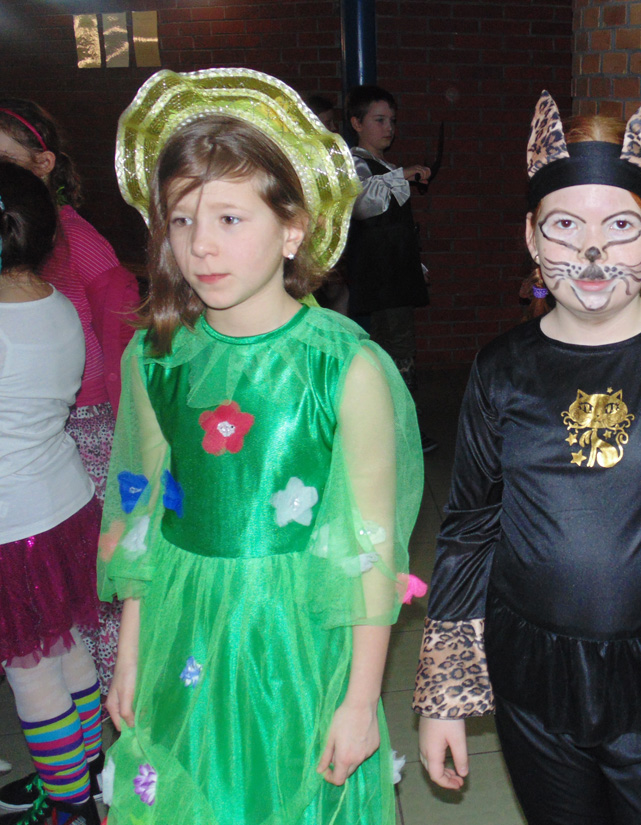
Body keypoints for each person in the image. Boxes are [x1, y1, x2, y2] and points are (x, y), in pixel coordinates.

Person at [413, 92, 641, 824]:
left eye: (620, 226)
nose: (593, 252)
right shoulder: (501, 368)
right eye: (566, 225)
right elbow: (469, 528)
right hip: (532, 680)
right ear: (532, 236)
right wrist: (446, 694)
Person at [99, 68, 423, 824]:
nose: (201, 246)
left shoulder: (344, 368)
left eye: (229, 219)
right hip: (183, 622)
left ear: (293, 228)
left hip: (295, 636)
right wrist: (130, 653)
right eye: (182, 220)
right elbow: (145, 510)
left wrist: (360, 700)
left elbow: (371, 547)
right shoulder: (156, 357)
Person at [0, 100, 140, 716]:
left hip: (86, 424)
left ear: (43, 164)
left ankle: (115, 717)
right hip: (50, 431)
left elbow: (122, 323)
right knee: (64, 625)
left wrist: (124, 418)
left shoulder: (73, 238)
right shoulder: (27, 251)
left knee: (93, 602)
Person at [0, 161, 103, 825]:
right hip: (64, 505)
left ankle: (71, 808)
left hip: (12, 527)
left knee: (30, 673)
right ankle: (90, 778)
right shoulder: (59, 306)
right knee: (67, 649)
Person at [343, 85, 437, 453]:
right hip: (380, 278)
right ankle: (399, 432)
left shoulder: (382, 168)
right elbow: (362, 204)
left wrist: (415, 264)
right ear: (357, 123)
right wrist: (403, 174)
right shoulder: (355, 163)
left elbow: (396, 228)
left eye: (392, 121)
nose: (389, 128)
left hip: (395, 275)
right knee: (394, 351)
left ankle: (396, 428)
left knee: (396, 349)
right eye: (379, 120)